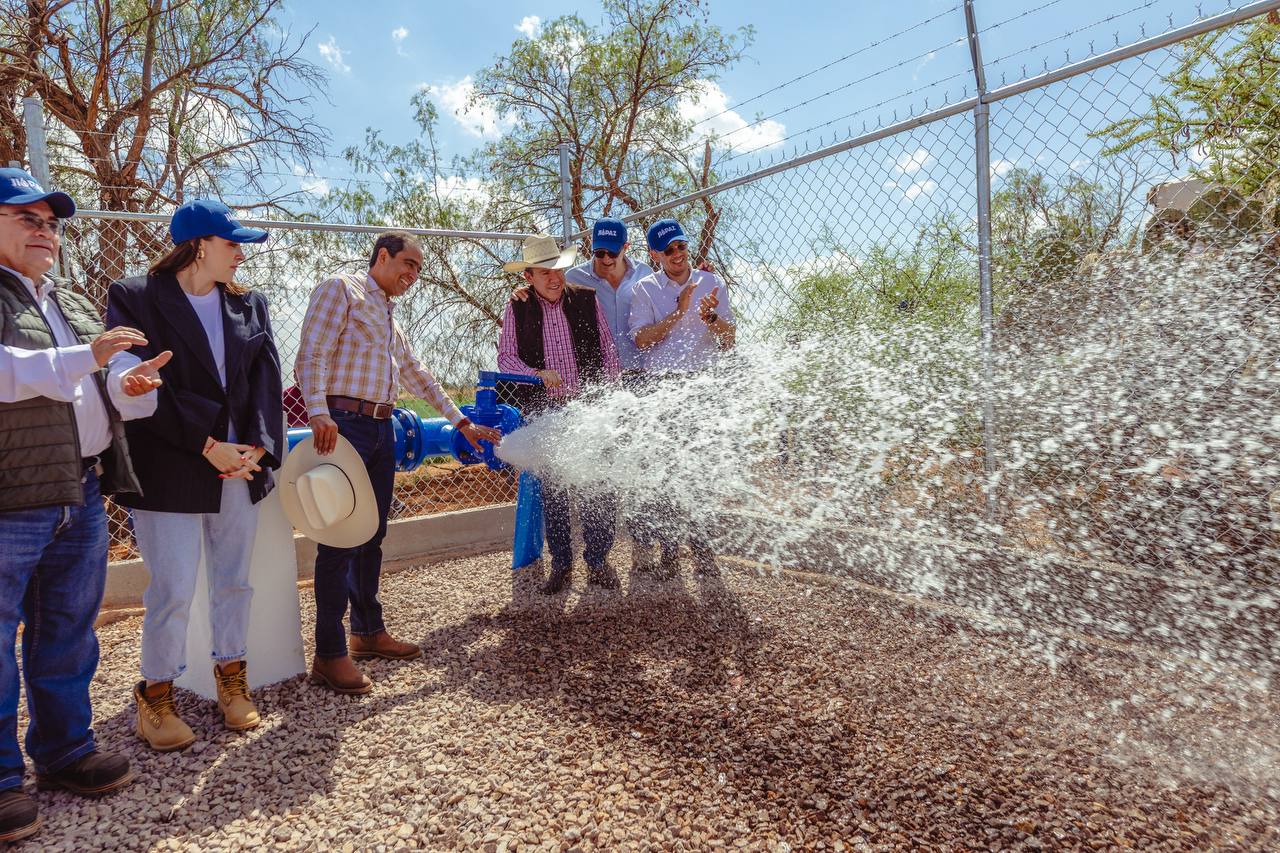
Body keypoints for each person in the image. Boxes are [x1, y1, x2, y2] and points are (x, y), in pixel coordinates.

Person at [0, 168, 169, 842]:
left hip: (80, 491)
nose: (46, 231)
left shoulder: (65, 298)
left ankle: (66, 750)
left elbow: (93, 387)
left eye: (52, 222)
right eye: (27, 218)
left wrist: (130, 384)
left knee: (69, 632)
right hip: (11, 498)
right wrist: (82, 359)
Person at [106, 199, 284, 751]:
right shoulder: (135, 297)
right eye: (233, 244)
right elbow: (141, 385)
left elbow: (265, 380)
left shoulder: (249, 303)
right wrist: (208, 445)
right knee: (174, 588)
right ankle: (155, 697)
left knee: (234, 579)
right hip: (171, 466)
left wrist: (256, 448)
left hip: (239, 465)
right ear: (200, 245)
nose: (241, 256)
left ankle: (232, 681)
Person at [295, 231, 501, 694]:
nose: (412, 275)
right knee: (340, 538)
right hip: (344, 423)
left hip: (382, 428)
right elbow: (312, 352)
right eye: (407, 264)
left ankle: (367, 632)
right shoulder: (341, 290)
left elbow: (416, 374)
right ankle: (329, 654)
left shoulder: (388, 315)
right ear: (382, 256)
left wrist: (460, 421)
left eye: (418, 270)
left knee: (372, 533)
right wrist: (319, 412)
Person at [498, 234, 623, 595]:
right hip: (546, 411)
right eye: (545, 272)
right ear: (529, 278)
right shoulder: (517, 306)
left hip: (588, 408)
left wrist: (610, 403)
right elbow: (506, 358)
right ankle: (562, 564)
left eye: (559, 270)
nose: (555, 278)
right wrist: (536, 375)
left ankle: (598, 561)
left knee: (597, 487)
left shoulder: (586, 300)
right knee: (554, 492)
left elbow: (608, 352)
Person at [628, 218, 736, 579]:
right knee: (665, 472)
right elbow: (641, 340)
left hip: (703, 386)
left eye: (681, 246)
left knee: (700, 471)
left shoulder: (711, 281)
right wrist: (678, 310)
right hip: (662, 388)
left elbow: (729, 337)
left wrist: (709, 318)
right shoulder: (645, 288)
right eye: (669, 249)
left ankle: (704, 550)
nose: (677, 254)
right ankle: (670, 552)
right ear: (655, 254)